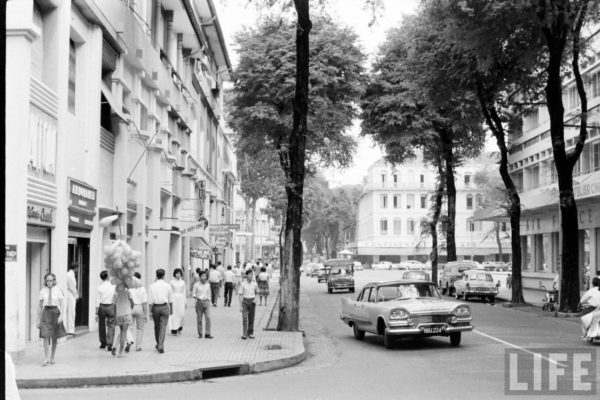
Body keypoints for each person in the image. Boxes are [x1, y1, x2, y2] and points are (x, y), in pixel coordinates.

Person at [37, 272, 67, 365]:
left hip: (55, 313)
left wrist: (61, 316)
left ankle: (52, 357)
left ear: (54, 281)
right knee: (45, 335)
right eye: (47, 280)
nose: (49, 282)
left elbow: (62, 305)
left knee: (54, 336)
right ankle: (46, 358)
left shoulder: (58, 290)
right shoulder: (42, 291)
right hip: (46, 313)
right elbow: (39, 306)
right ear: (45, 281)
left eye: (51, 280)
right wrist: (37, 320)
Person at [148, 269, 173, 353]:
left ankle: (158, 343)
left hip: (155, 308)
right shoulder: (168, 286)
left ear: (156, 275)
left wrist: (150, 312)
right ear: (164, 275)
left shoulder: (152, 286)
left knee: (157, 326)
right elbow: (170, 299)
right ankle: (160, 345)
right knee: (163, 327)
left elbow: (150, 301)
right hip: (165, 307)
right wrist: (171, 309)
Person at [96, 270, 116, 352]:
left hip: (102, 307)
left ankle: (103, 342)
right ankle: (110, 343)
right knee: (111, 325)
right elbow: (115, 297)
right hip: (110, 306)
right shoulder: (113, 286)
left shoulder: (99, 287)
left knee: (101, 324)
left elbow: (97, 301)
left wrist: (96, 312)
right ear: (107, 276)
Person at [129, 272, 147, 351]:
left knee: (129, 327)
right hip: (139, 307)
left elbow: (128, 299)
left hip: (131, 308)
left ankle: (129, 341)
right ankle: (138, 346)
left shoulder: (130, 288)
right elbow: (144, 302)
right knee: (140, 328)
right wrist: (145, 314)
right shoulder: (142, 288)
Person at [192, 270, 213, 339]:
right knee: (199, 319)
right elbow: (193, 294)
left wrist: (209, 299)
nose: (204, 277)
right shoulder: (196, 285)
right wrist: (199, 297)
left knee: (208, 318)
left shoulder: (208, 285)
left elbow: (209, 293)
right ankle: (200, 334)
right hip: (199, 302)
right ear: (200, 277)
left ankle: (207, 333)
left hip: (206, 302)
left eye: (205, 276)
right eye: (203, 276)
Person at [239, 269, 258, 339]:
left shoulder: (255, 284)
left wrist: (256, 299)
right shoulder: (243, 284)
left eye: (252, 274)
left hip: (252, 301)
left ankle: (250, 333)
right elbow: (240, 295)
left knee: (251, 318)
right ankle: (244, 334)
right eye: (250, 274)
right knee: (244, 318)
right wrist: (240, 306)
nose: (251, 276)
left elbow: (257, 293)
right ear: (246, 275)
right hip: (245, 301)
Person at [579, 277, 600, 341]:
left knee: (584, 319)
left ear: (592, 283)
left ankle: (585, 335)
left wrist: (579, 304)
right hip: (597, 309)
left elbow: (582, 301)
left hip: (593, 309)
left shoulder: (591, 291)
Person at [168, 268, 187, 335]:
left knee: (181, 313)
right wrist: (169, 300)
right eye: (177, 273)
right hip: (174, 299)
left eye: (179, 273)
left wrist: (185, 301)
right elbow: (170, 292)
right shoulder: (171, 282)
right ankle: (173, 328)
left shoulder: (182, 282)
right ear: (174, 274)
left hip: (181, 299)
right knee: (174, 314)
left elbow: (184, 292)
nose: (178, 274)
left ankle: (179, 327)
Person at [65, 262, 79, 336]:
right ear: (76, 268)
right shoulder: (70, 275)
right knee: (71, 312)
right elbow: (72, 287)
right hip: (70, 294)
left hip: (70, 294)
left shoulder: (70, 274)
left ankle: (70, 329)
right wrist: (76, 296)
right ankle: (70, 330)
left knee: (70, 312)